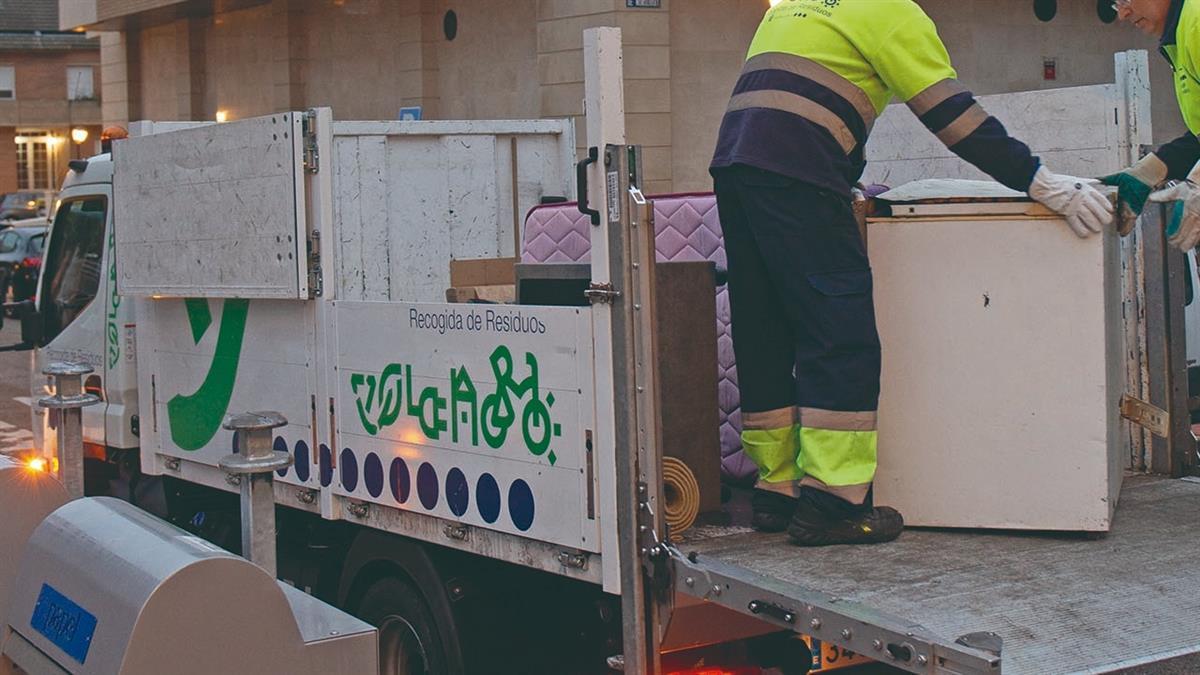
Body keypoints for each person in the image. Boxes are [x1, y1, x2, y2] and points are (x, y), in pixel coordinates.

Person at [711, 0, 1113, 546]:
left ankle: (775, 489)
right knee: (838, 327)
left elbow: (799, 106)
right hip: (797, 168)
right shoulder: (892, 10)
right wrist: (1039, 181)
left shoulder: (798, 5)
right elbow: (955, 118)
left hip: (736, 164)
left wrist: (842, 177)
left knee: (766, 326)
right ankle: (835, 500)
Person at [1104, 0, 1200, 250]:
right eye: (1116, 5)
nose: (1123, 14)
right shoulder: (1183, 31)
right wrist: (1152, 169)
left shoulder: (1197, 22)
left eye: (1124, 0)